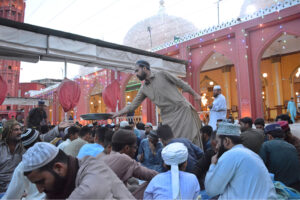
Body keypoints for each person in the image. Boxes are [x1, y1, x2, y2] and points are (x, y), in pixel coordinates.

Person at [112, 60, 203, 147]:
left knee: (189, 141)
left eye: (137, 70)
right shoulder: (144, 89)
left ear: (144, 68)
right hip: (167, 117)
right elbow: (132, 106)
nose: (135, 74)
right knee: (171, 143)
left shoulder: (162, 74)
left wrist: (195, 94)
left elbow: (180, 83)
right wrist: (117, 113)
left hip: (182, 111)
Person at [22, 142, 135, 199]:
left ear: (58, 168)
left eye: (41, 182)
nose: (40, 190)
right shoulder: (61, 185)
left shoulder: (93, 172)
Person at [205, 122, 277, 199]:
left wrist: (212, 165)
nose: (216, 146)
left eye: (218, 142)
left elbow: (211, 190)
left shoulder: (230, 154)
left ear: (226, 141)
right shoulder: (250, 153)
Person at [97, 129, 158, 199]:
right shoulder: (124, 159)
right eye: (135, 147)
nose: (135, 151)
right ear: (127, 148)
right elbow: (150, 175)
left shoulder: (104, 156)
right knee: (153, 182)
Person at [2, 128, 45, 200]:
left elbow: (11, 196)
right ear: (40, 140)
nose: (19, 131)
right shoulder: (54, 155)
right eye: (16, 129)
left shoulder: (23, 166)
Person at [259, 124, 300, 191]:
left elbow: (261, 167)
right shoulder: (291, 146)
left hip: (279, 187)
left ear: (269, 136)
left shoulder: (266, 145)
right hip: (295, 186)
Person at [0, 120, 24, 197]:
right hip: (2, 189)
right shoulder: (1, 147)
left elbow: (43, 138)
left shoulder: (23, 146)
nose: (20, 132)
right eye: (16, 130)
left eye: (20, 129)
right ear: (8, 132)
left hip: (19, 188)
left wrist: (57, 129)